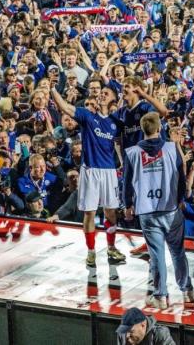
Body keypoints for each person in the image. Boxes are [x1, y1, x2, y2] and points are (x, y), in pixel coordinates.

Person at [123, 112, 194, 309]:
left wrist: (127, 205)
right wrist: (181, 199)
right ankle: (187, 290)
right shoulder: (172, 148)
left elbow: (127, 183)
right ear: (159, 128)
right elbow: (180, 178)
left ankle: (161, 296)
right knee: (178, 252)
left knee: (157, 255)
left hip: (147, 212)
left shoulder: (131, 152)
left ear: (142, 129)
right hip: (171, 209)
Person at [50, 85, 127, 268]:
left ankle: (111, 247)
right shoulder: (87, 115)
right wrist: (53, 88)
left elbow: (118, 142)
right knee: (89, 212)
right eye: (101, 92)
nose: (102, 94)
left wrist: (123, 160)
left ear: (113, 101)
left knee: (111, 212)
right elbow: (65, 108)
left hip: (109, 171)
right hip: (90, 170)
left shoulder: (116, 122)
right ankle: (91, 252)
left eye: (106, 94)